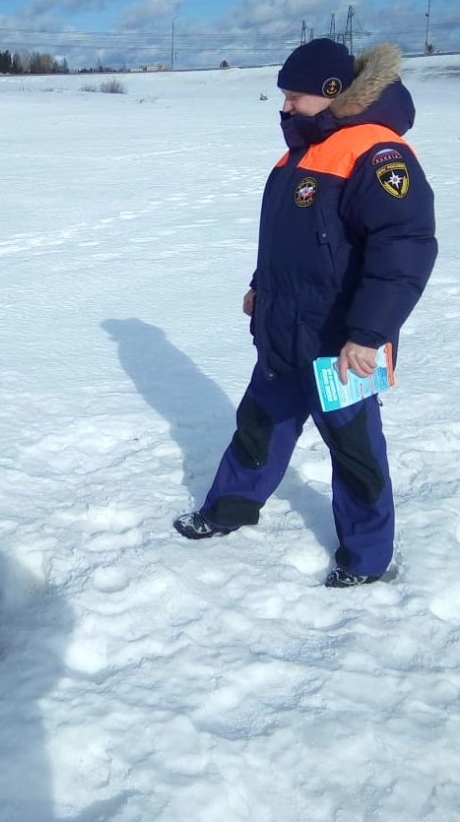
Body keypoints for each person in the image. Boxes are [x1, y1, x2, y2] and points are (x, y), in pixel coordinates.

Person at [174, 39, 438, 587]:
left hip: (341, 346)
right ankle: (229, 509)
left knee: (355, 450)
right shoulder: (301, 150)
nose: (285, 106)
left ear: (331, 93)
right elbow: (288, 240)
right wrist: (259, 288)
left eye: (294, 96)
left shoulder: (378, 153)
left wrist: (368, 334)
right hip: (283, 331)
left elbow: (405, 248)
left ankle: (366, 559)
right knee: (258, 428)